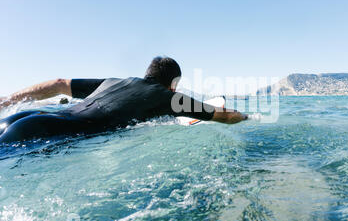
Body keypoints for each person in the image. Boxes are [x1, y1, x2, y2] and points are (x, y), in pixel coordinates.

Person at [0, 57, 247, 144]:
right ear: (173, 84)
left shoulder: (113, 81)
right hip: (46, 132)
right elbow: (224, 116)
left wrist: (7, 101)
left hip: (24, 119)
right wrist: (247, 116)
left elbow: (58, 83)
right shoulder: (169, 97)